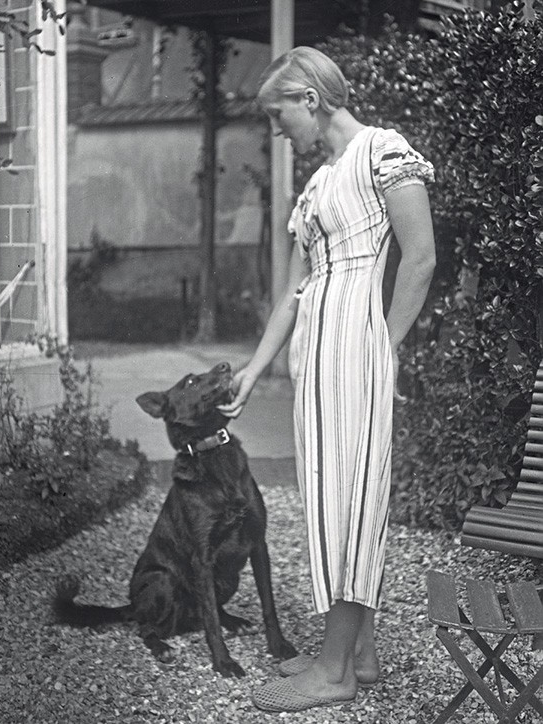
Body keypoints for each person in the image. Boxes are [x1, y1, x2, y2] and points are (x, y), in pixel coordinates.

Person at [217, 46, 436, 713]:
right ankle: (358, 654)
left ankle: (334, 670)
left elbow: (420, 258)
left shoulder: (382, 151)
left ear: (310, 98)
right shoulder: (316, 187)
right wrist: (255, 369)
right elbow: (292, 293)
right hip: (317, 361)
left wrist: (383, 347)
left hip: (357, 352)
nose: (279, 132)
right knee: (327, 498)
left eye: (281, 117)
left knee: (352, 500)